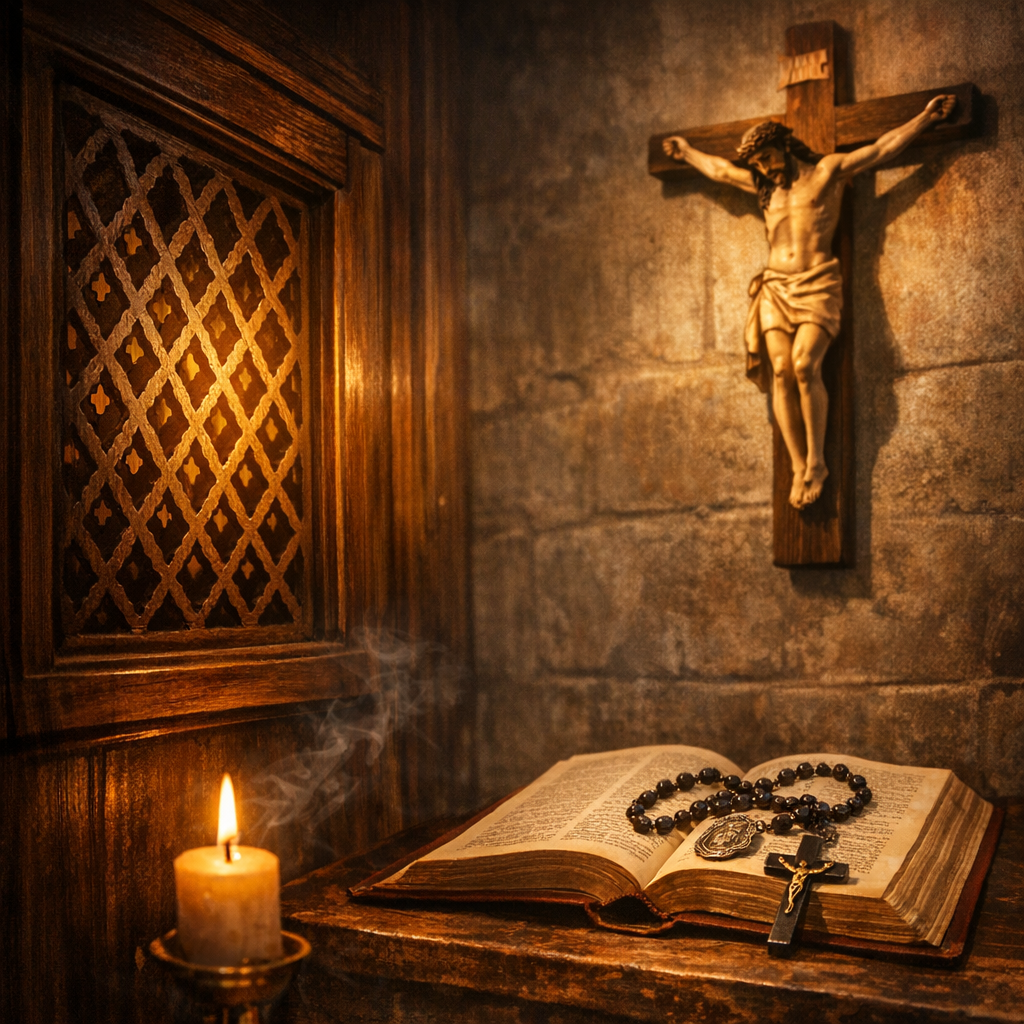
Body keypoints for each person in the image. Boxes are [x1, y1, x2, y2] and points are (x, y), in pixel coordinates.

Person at [662, 95, 956, 508]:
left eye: (767, 158)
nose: (765, 169)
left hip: (818, 280)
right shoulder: (763, 188)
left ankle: (818, 461)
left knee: (804, 365)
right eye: (758, 164)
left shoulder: (826, 173)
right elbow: (722, 173)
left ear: (783, 145)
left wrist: (925, 118)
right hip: (775, 287)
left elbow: (882, 148)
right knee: (780, 369)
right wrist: (688, 151)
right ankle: (799, 465)